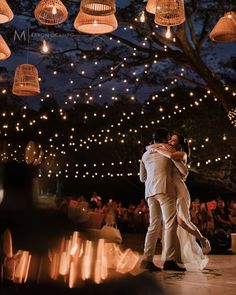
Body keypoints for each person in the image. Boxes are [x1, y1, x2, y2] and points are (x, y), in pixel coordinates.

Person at [149, 133, 211, 271]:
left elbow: (171, 157)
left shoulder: (181, 154)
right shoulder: (167, 153)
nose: (170, 141)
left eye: (174, 140)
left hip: (180, 190)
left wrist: (157, 148)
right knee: (173, 225)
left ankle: (202, 239)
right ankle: (175, 258)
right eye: (170, 139)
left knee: (182, 220)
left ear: (180, 144)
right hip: (170, 190)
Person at [139, 128, 186, 272]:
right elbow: (183, 171)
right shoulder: (168, 150)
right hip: (165, 189)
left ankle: (147, 260)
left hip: (150, 192)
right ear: (165, 138)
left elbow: (142, 178)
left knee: (153, 226)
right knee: (170, 224)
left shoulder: (145, 154)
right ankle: (169, 260)